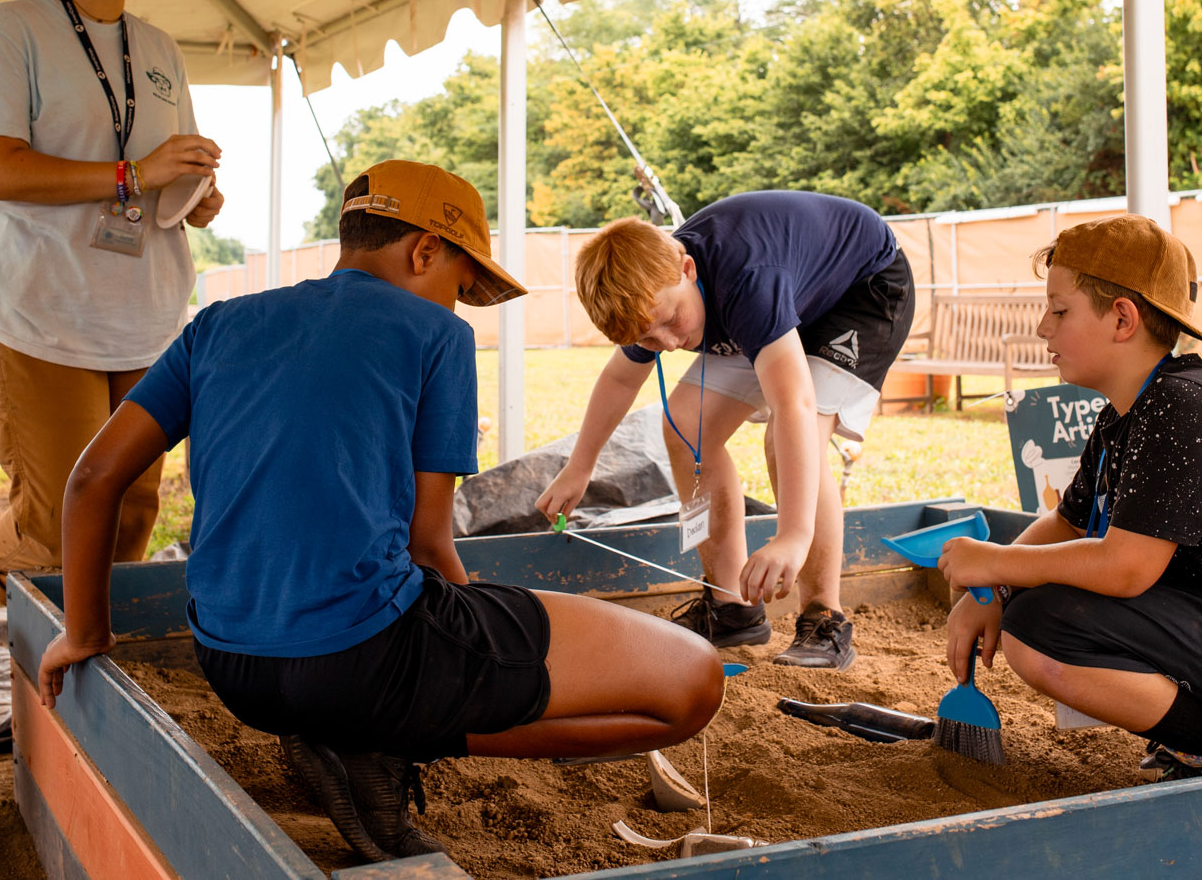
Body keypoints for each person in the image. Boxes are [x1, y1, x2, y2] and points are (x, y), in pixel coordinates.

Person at [37, 162, 725, 863]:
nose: (455, 307)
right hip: (367, 658)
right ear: (424, 250)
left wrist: (85, 631)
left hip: (232, 664)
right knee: (691, 684)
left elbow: (92, 478)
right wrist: (470, 664)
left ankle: (348, 728)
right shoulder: (436, 335)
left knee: (440, 650)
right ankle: (387, 738)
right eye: (460, 286)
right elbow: (430, 545)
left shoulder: (215, 324)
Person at [938, 214, 1202, 780]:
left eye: (1059, 310)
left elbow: (1125, 569)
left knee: (1039, 631)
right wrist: (991, 591)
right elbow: (1068, 521)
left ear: (1122, 319)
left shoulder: (1184, 407)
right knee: (1033, 613)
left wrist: (992, 562)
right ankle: (1201, 732)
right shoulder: (1127, 414)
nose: (1042, 328)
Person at [0, 0, 224, 668]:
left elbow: (161, 170)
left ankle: (92, 673)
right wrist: (134, 174)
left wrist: (192, 194)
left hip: (145, 313)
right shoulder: (12, 29)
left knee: (132, 511)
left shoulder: (161, 49)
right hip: (41, 313)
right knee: (56, 521)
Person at [536, 191, 916, 671]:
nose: (670, 345)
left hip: (862, 290)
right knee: (684, 427)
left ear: (688, 269)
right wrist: (579, 467)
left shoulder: (748, 282)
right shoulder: (652, 296)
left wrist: (793, 536)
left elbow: (794, 403)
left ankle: (825, 618)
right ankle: (732, 607)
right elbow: (619, 376)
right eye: (649, 339)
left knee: (787, 434)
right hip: (779, 296)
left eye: (671, 322)